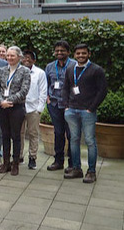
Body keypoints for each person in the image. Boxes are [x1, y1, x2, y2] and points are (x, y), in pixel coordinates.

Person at [63, 43, 107, 183]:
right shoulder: (70, 69)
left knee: (89, 141)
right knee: (74, 140)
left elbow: (102, 91)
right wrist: (66, 106)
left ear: (89, 54)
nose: (81, 56)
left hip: (87, 112)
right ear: (74, 55)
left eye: (83, 53)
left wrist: (92, 108)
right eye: (78, 53)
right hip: (72, 111)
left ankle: (91, 171)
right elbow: (65, 88)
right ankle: (76, 169)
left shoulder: (96, 70)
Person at [0, 46, 31, 176]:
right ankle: (6, 163)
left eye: (12, 56)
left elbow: (24, 90)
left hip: (16, 107)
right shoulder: (1, 70)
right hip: (2, 106)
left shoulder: (25, 71)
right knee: (5, 135)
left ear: (19, 57)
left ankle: (15, 164)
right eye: (8, 56)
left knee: (16, 136)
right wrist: (1, 101)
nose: (9, 58)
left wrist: (9, 101)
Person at [45, 41, 76, 171]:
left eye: (62, 50)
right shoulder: (50, 66)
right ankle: (58, 161)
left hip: (70, 105)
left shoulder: (74, 65)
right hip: (54, 104)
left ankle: (73, 163)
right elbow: (46, 83)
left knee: (71, 134)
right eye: (57, 50)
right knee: (58, 133)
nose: (59, 53)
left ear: (68, 52)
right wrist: (46, 97)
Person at [18, 50, 47, 170]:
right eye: (24, 57)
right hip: (19, 106)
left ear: (34, 60)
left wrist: (39, 109)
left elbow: (43, 91)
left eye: (29, 58)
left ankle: (32, 157)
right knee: (19, 133)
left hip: (33, 108)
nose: (27, 60)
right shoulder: (17, 71)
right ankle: (18, 156)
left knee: (33, 133)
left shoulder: (40, 73)